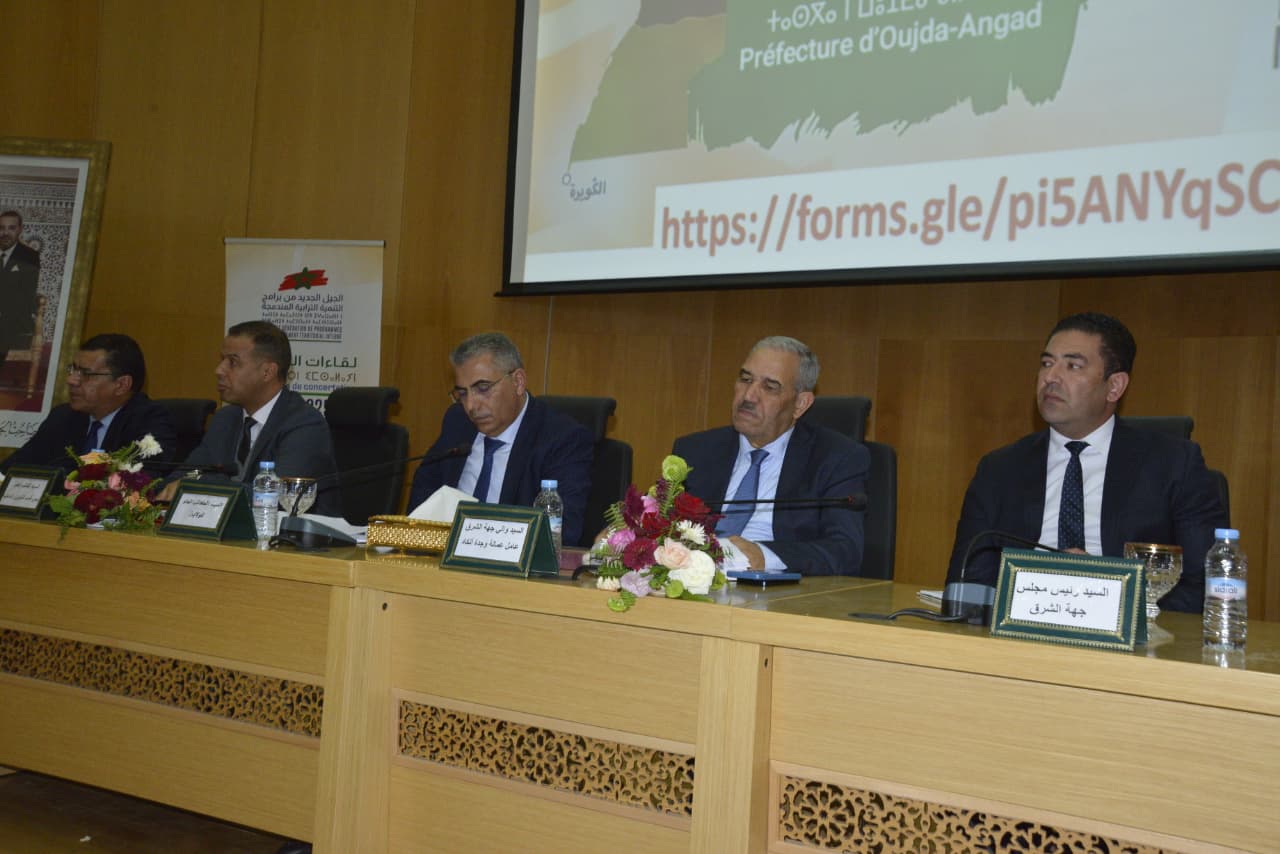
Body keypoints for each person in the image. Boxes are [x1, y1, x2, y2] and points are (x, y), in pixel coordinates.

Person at [945, 312, 1227, 613]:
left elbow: (1206, 587)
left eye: (1073, 366)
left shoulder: (1174, 464)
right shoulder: (999, 469)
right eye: (1046, 363)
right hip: (1022, 628)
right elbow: (967, 581)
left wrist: (1103, 589)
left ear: (1114, 386)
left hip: (1130, 631)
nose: (1051, 378)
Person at [672, 336, 869, 576]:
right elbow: (659, 526)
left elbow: (844, 551)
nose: (748, 396)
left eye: (770, 387)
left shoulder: (836, 458)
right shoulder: (695, 451)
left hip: (780, 589)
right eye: (745, 379)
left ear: (800, 404)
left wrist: (764, 556)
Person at [408, 332, 593, 545]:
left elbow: (562, 532)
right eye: (462, 393)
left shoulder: (561, 439)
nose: (471, 406)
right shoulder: (457, 422)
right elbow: (420, 502)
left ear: (518, 382)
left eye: (483, 389)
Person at [161, 320, 340, 515]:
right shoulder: (225, 419)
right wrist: (186, 483)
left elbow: (278, 497)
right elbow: (179, 478)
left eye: (232, 362)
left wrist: (199, 485)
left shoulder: (304, 424)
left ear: (267, 372)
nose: (219, 370)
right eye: (222, 360)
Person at [0, 333, 177, 474]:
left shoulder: (149, 421)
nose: (71, 380)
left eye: (85, 374)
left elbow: (140, 480)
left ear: (121, 385)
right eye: (72, 370)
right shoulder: (62, 417)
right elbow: (12, 469)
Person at [0, 210, 40, 371]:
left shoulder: (29, 256)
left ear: (20, 229)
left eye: (11, 228)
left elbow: (26, 295)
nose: (5, 233)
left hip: (15, 317)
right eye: (1, 228)